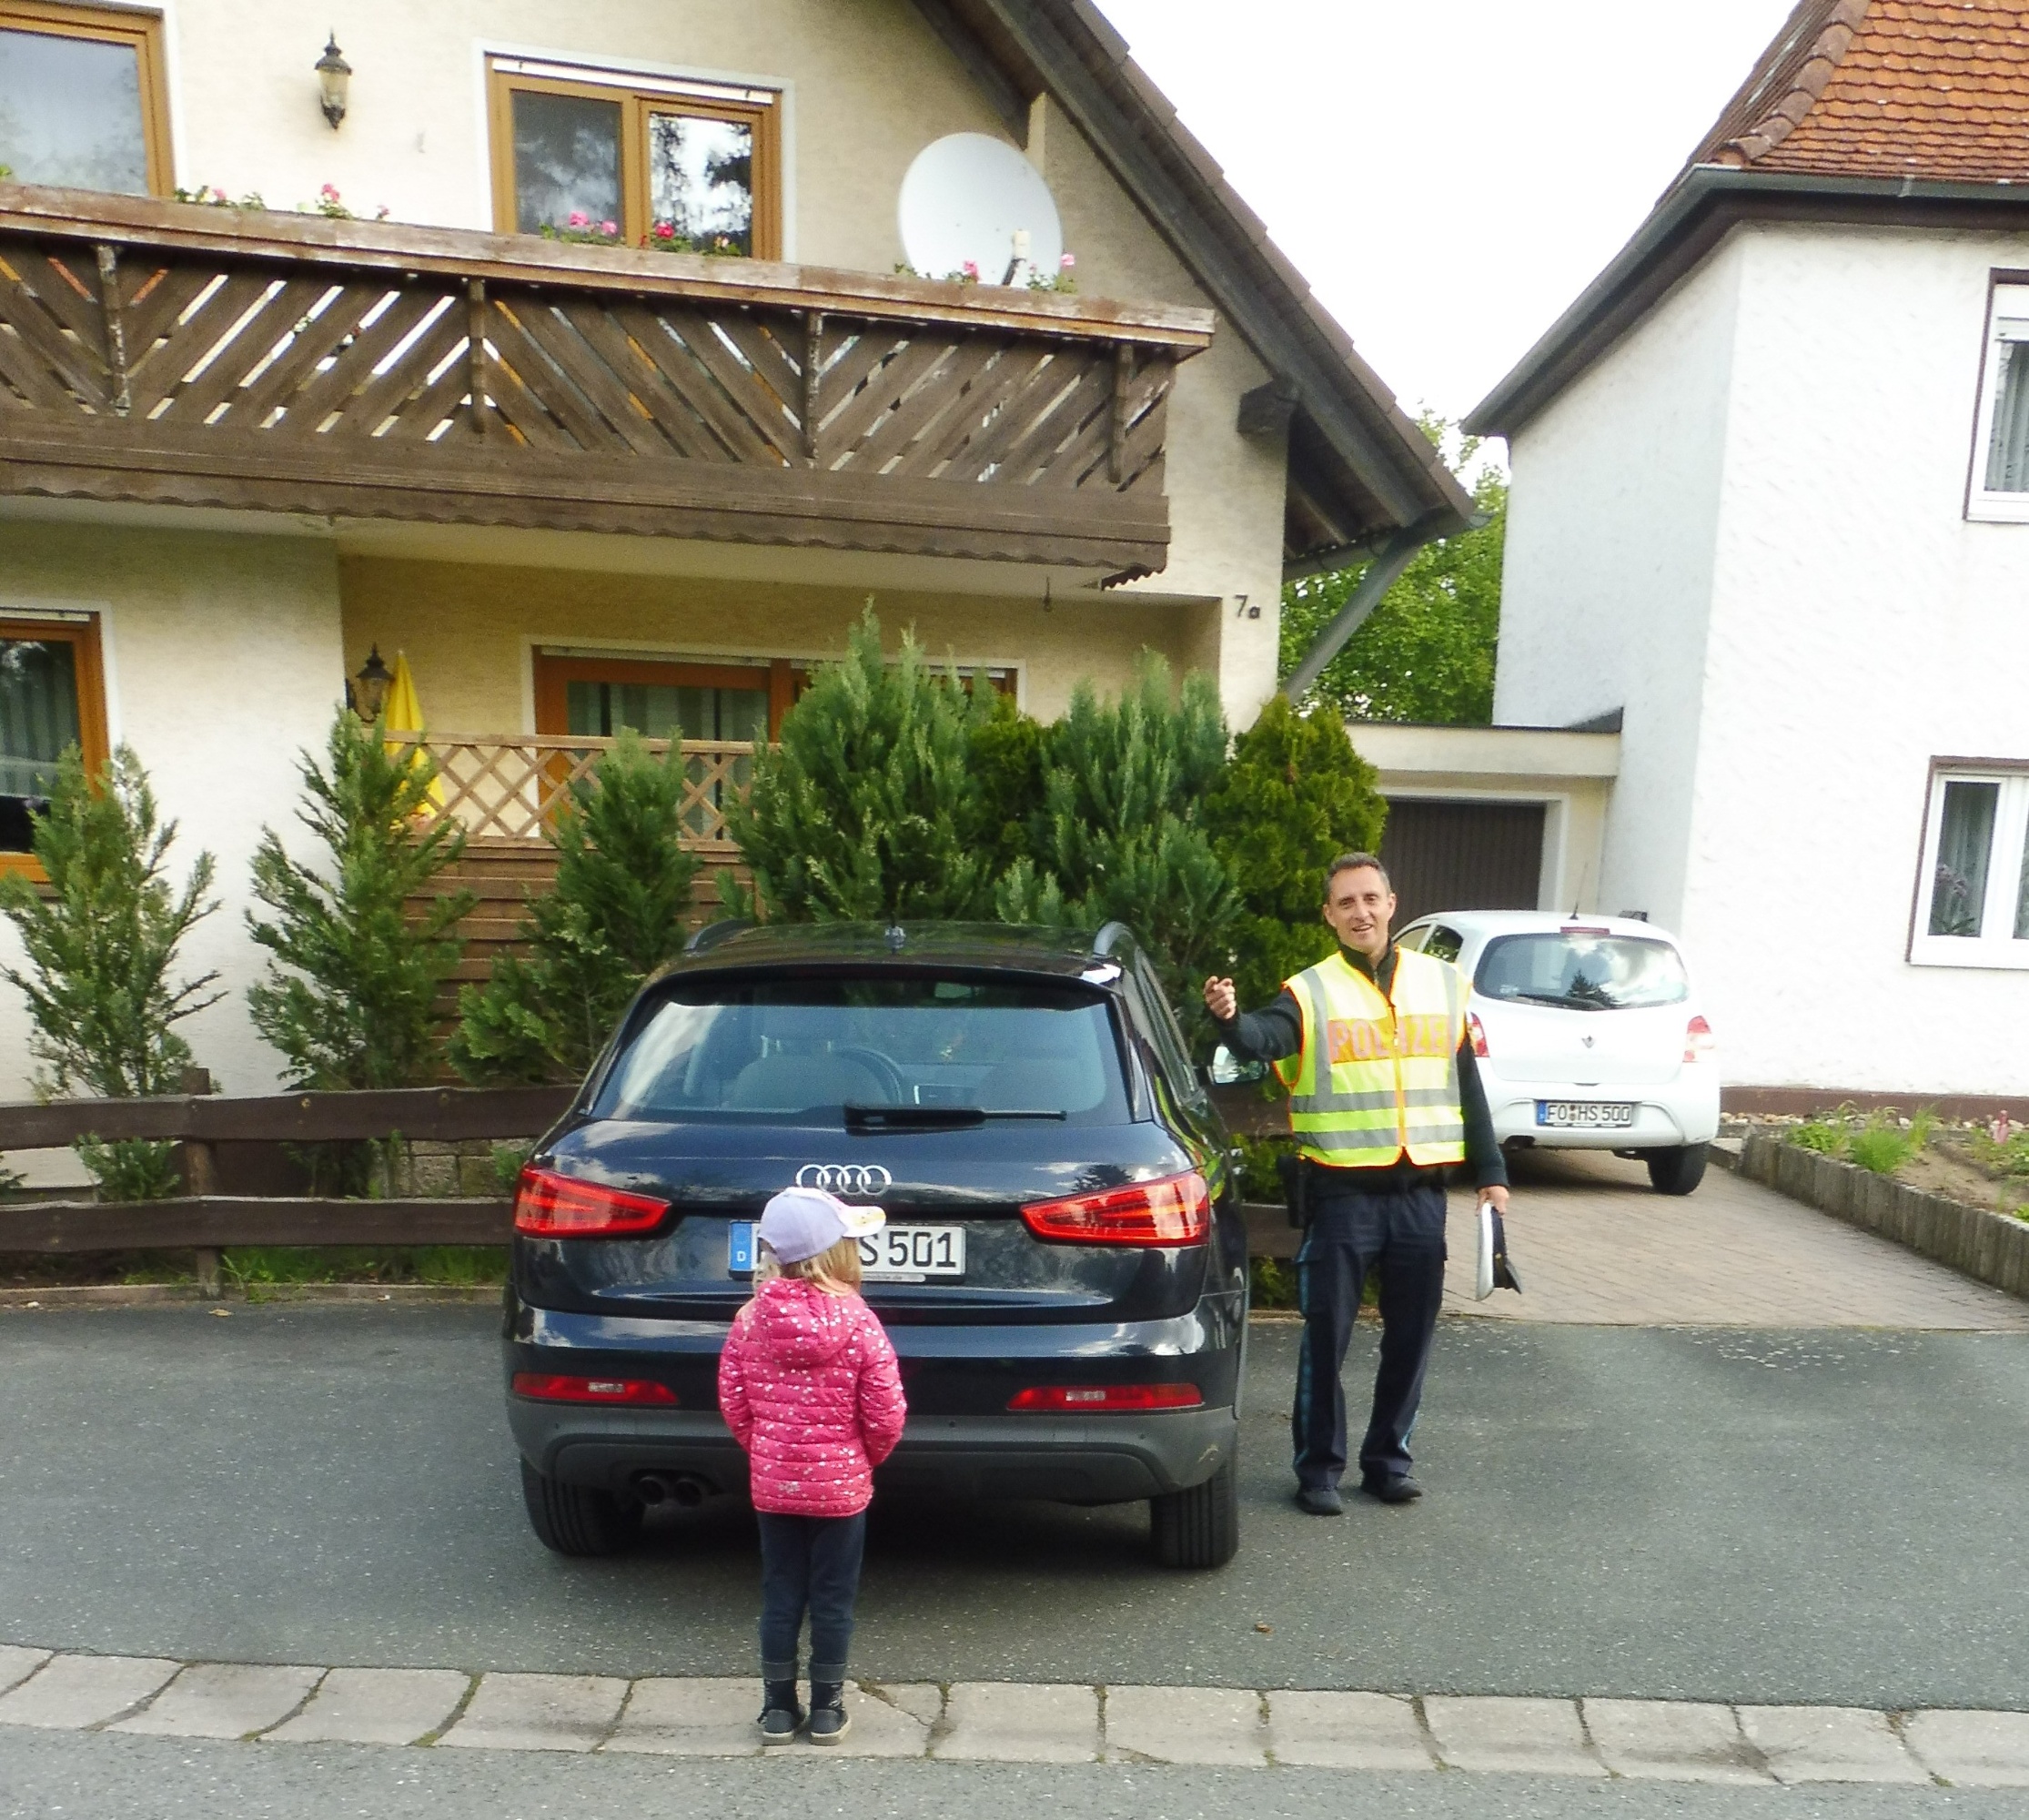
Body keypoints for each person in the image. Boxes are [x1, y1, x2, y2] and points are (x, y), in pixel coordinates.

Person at [1203, 852, 1509, 1515]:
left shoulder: (1443, 984)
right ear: (1330, 916)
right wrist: (1229, 1020)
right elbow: (1261, 1038)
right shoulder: (1309, 992)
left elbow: (1468, 1083)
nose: (1360, 912)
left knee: (1411, 1338)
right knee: (1326, 1338)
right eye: (1346, 902)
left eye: (1370, 898)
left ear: (1392, 904)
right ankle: (1318, 1471)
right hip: (1343, 1196)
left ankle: (1388, 1462)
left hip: (1421, 1196)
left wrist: (1492, 1173)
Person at [718, 1185, 908, 1744]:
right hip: (842, 1489)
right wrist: (862, 1460)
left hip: (774, 1485)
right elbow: (886, 1410)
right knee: (833, 1599)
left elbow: (734, 1400)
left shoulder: (750, 1320)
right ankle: (827, 1710)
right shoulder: (859, 1322)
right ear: (837, 1255)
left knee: (780, 1594)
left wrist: (768, 1452)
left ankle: (777, 1709)